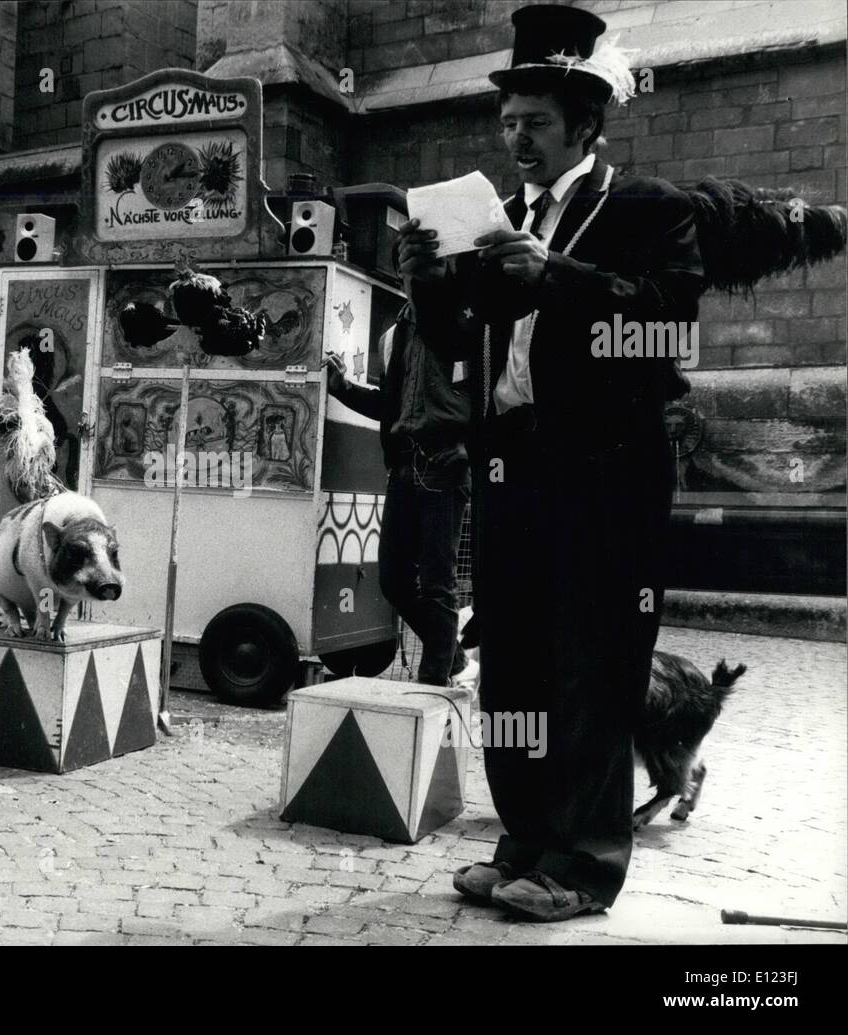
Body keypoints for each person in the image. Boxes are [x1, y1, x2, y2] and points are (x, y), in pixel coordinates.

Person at [401, 4, 707, 922]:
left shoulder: (650, 209)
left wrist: (558, 280)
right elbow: (460, 342)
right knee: (519, 668)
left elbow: (666, 328)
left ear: (585, 123)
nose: (516, 138)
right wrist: (426, 277)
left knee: (591, 666)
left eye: (534, 123)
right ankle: (526, 841)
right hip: (514, 470)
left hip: (605, 475)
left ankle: (585, 863)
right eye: (506, 123)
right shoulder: (503, 221)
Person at [324, 313, 471, 687]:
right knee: (393, 580)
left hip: (444, 463)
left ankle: (433, 682)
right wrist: (344, 388)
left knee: (439, 581)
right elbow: (389, 407)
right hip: (403, 467)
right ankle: (452, 659)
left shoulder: (464, 322)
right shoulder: (392, 336)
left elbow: (483, 394)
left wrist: (470, 448)